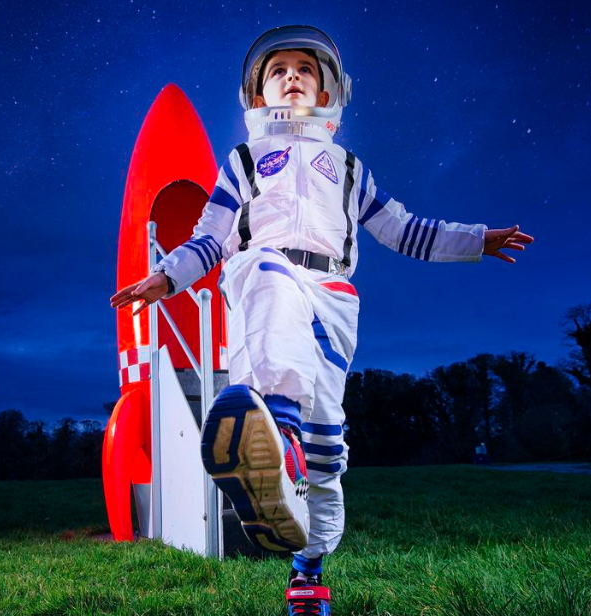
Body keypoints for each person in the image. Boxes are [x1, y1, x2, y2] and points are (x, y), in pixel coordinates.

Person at [111, 25, 533, 615]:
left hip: (332, 295)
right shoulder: (243, 161)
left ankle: (308, 571)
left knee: (329, 449)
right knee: (264, 267)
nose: (291, 75)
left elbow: (404, 230)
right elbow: (212, 237)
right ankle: (276, 434)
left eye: (303, 69)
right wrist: (167, 276)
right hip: (265, 284)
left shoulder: (349, 168)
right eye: (277, 69)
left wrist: (475, 241)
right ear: (258, 95)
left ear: (329, 88)